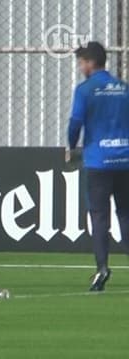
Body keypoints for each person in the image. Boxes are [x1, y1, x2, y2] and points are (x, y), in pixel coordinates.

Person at [66, 41, 129, 291]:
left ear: (91, 62)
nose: (80, 67)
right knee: (125, 213)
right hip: (125, 159)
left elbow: (75, 122)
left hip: (98, 160)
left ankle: (102, 268)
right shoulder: (124, 88)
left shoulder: (85, 90)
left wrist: (71, 147)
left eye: (81, 62)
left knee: (100, 217)